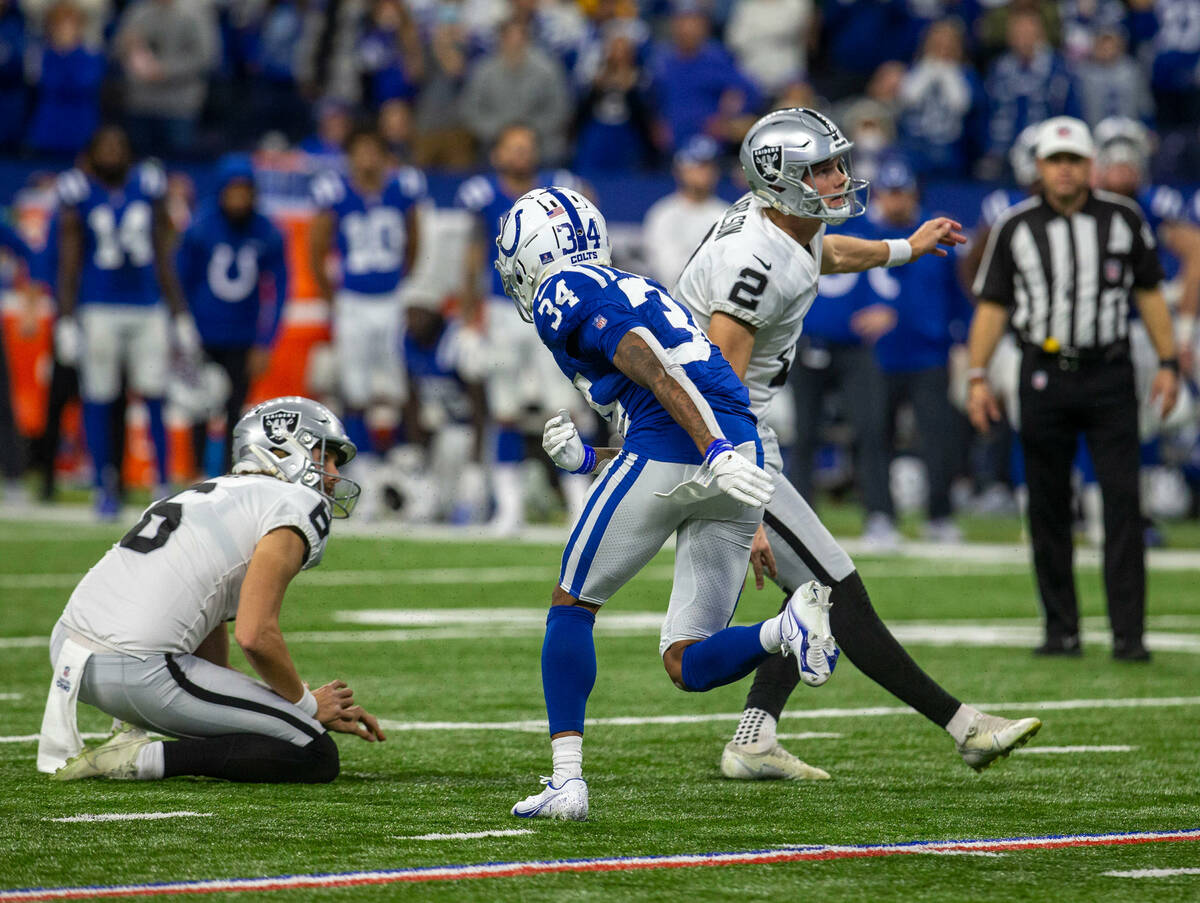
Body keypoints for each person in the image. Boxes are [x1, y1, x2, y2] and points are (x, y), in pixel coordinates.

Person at [672, 107, 1041, 780]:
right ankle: (964, 726)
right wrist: (744, 502)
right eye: (822, 168)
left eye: (839, 163)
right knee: (834, 587)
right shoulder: (752, 262)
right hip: (716, 437)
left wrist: (907, 246)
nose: (841, 177)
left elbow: (827, 254)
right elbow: (714, 386)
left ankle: (755, 736)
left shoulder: (785, 226)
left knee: (794, 603)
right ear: (780, 178)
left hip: (719, 432)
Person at [497, 185, 833, 822]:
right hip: (738, 448)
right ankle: (784, 630)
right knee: (687, 662)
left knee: (571, 605)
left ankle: (567, 782)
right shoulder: (630, 281)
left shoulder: (559, 288)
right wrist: (589, 462)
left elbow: (647, 363)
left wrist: (707, 449)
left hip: (693, 444)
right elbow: (670, 398)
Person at [38, 396, 384, 783]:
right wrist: (304, 706)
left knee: (274, 725)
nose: (334, 475)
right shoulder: (295, 502)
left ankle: (130, 739)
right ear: (284, 448)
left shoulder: (207, 493)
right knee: (314, 753)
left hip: (69, 657)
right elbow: (255, 635)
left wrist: (278, 704)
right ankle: (141, 759)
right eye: (327, 457)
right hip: (139, 667)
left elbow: (211, 650)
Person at [966, 117, 1179, 661]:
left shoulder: (1123, 218)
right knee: (1047, 505)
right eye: (1055, 160)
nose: (1064, 170)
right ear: (1039, 167)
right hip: (1042, 372)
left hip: (1110, 371)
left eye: (1074, 160)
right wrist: (976, 375)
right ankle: (1062, 630)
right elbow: (993, 306)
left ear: (1091, 165)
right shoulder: (1015, 226)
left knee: (1123, 503)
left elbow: (1151, 293)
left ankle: (1129, 635)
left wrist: (1169, 362)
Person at [54, 125, 200, 518]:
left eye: (120, 146)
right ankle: (104, 485)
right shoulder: (78, 190)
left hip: (146, 304)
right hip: (98, 306)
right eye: (105, 147)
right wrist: (65, 316)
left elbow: (162, 251)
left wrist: (179, 311)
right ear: (91, 153)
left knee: (154, 392)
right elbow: (69, 258)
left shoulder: (148, 184)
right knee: (98, 396)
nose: (113, 153)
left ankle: (162, 481)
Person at [453, 123, 591, 532]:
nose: (520, 154)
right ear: (497, 153)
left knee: (564, 406)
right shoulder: (483, 195)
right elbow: (473, 259)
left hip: (553, 305)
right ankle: (508, 507)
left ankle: (579, 502)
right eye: (512, 147)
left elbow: (590, 224)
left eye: (526, 146)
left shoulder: (559, 187)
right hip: (501, 309)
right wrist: (468, 320)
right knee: (505, 408)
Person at [309, 126, 425, 514]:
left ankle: (398, 467)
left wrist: (402, 282)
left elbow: (414, 240)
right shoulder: (336, 194)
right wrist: (333, 299)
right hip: (354, 300)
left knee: (393, 387)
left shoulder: (401, 190)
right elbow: (316, 248)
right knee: (355, 390)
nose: (368, 159)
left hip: (389, 300)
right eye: (361, 151)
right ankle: (366, 473)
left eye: (375, 151)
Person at [868, 155, 973, 543]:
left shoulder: (937, 234)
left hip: (929, 352)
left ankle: (940, 515)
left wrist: (963, 340)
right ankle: (880, 514)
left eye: (902, 192)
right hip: (880, 354)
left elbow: (957, 296)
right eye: (890, 192)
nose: (896, 201)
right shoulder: (868, 235)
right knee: (877, 435)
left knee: (938, 436)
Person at [177, 154, 289, 476]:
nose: (240, 198)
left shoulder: (266, 231)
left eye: (245, 190)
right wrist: (182, 327)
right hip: (204, 333)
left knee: (235, 411)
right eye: (234, 190)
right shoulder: (201, 227)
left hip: (243, 335)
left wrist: (266, 341)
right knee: (198, 406)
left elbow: (280, 288)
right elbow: (180, 279)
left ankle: (227, 475)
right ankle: (195, 473)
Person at [641, 135, 727, 286]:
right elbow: (669, 272)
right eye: (698, 164)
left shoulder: (728, 213)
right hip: (673, 304)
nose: (705, 172)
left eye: (709, 165)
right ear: (680, 169)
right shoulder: (663, 214)